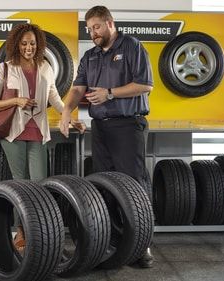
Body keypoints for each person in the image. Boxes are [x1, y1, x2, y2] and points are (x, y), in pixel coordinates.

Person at [60, 6, 154, 268]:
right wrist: (67, 111)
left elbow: (145, 84)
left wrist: (109, 93)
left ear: (110, 24)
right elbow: (78, 88)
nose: (93, 33)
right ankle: (115, 243)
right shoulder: (90, 56)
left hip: (127, 125)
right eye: (89, 29)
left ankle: (143, 244)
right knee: (107, 185)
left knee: (134, 185)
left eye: (97, 27)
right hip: (100, 128)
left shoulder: (132, 46)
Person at [0, 23, 82, 253]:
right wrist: (16, 101)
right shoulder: (5, 69)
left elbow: (56, 99)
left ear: (38, 44)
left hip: (38, 131)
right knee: (21, 185)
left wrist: (71, 118)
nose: (29, 47)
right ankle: (21, 232)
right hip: (14, 134)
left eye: (32, 43)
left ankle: (39, 232)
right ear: (16, 45)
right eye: (24, 43)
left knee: (39, 184)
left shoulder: (46, 67)